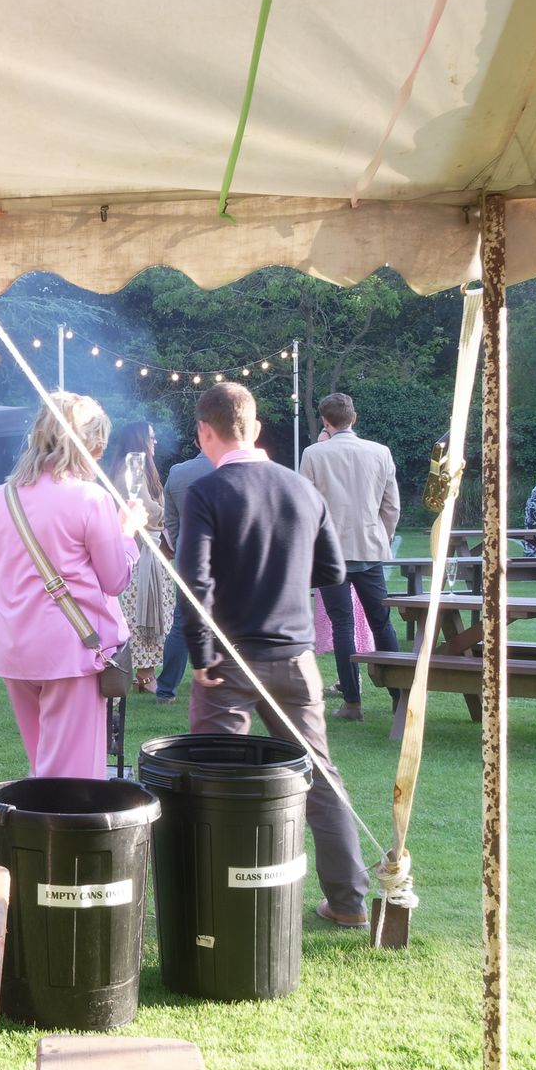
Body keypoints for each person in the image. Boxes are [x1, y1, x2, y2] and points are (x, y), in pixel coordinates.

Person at [177, 382, 370, 928]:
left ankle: (216, 897)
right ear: (256, 428)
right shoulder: (303, 490)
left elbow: (194, 582)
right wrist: (282, 575)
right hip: (297, 660)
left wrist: (199, 654)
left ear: (204, 433)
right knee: (320, 778)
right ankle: (350, 902)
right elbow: (333, 573)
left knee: (213, 778)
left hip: (229, 661)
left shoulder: (207, 493)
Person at [0, 392, 143, 778]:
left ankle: (38, 834)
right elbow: (115, 580)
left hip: (15, 651)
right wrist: (128, 536)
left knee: (43, 769)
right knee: (74, 780)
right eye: (97, 448)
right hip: (73, 652)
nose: (98, 458)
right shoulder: (90, 499)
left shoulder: (0, 499)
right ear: (85, 446)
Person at [299, 393, 401, 722]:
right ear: (353, 419)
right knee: (382, 624)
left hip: (331, 553)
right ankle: (399, 696)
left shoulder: (314, 454)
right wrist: (381, 537)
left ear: (326, 423)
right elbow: (392, 506)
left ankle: (353, 703)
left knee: (343, 625)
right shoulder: (380, 452)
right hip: (369, 549)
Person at [109, 421, 173, 692]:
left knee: (148, 612)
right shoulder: (133, 466)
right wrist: (169, 512)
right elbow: (143, 506)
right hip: (139, 551)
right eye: (151, 437)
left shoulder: (134, 467)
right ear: (139, 440)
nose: (155, 441)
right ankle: (145, 676)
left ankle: (145, 674)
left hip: (142, 549)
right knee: (143, 613)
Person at [154, 441, 216, 706]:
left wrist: (181, 547)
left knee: (181, 624)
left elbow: (171, 520)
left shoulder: (178, 472)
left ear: (196, 441)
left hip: (188, 557)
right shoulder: (230, 468)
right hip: (227, 556)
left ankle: (166, 690)